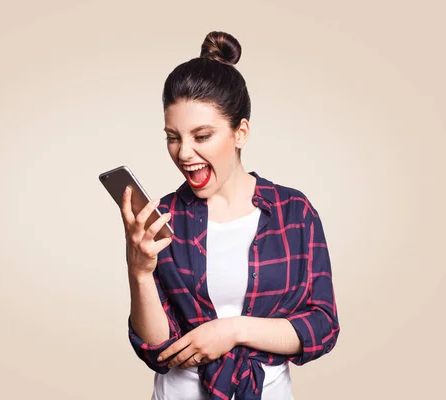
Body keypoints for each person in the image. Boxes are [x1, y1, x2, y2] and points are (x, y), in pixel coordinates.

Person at [120, 31, 340, 400]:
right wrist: (139, 271)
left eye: (202, 136)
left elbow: (322, 327)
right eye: (173, 137)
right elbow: (158, 351)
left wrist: (233, 331)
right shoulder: (164, 217)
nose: (184, 153)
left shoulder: (293, 213)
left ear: (240, 133)